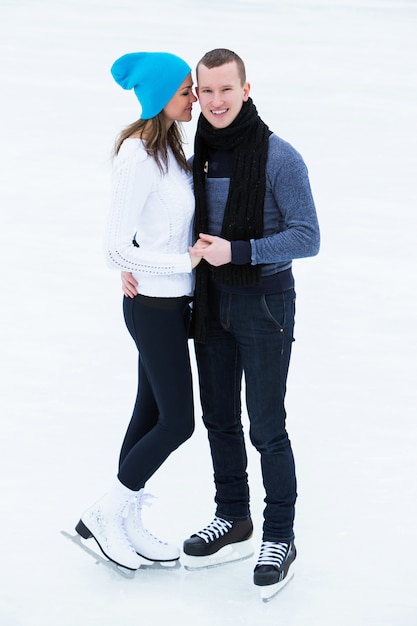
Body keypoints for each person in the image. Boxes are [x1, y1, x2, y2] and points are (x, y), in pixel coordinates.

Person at [122, 47, 320, 594]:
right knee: (219, 419)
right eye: (203, 91)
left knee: (266, 426)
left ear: (246, 90)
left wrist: (236, 251)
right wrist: (132, 259)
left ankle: (280, 533)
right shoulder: (199, 152)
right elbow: (172, 220)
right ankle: (233, 516)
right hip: (210, 305)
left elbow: (308, 236)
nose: (213, 101)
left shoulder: (281, 157)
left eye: (225, 90)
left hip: (265, 307)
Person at [75, 51, 200, 571]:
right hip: (150, 305)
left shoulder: (170, 150)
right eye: (187, 91)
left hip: (171, 304)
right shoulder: (136, 155)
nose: (194, 98)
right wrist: (184, 260)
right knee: (177, 423)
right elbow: (113, 249)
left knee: (149, 413)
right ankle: (107, 514)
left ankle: (120, 520)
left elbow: (148, 229)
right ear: (159, 98)